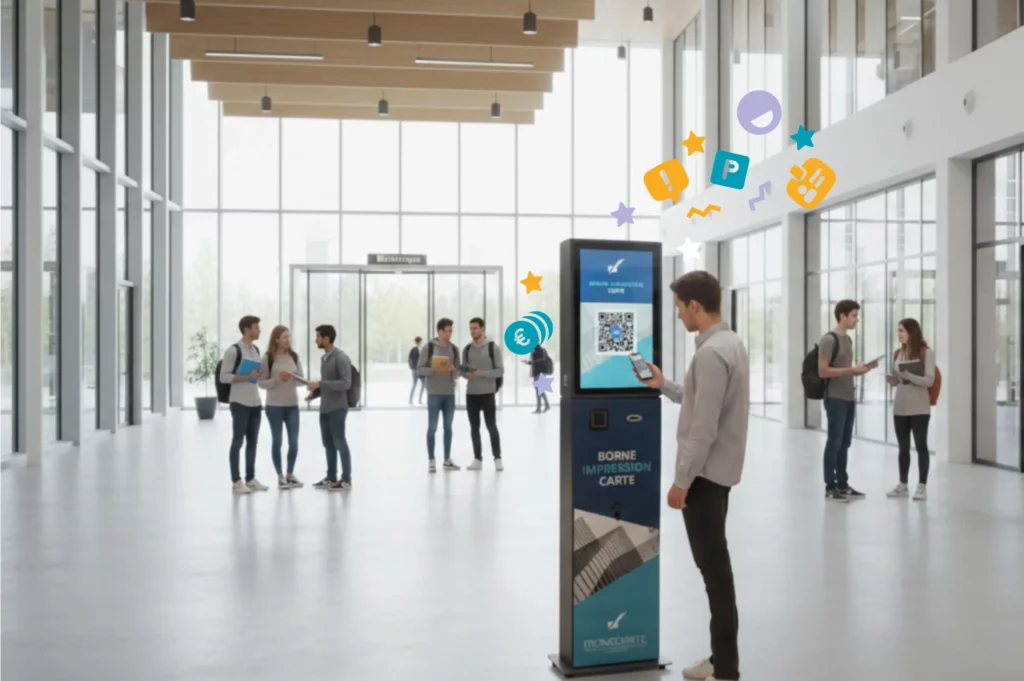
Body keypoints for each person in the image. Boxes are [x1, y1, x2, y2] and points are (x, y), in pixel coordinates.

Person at [636, 271, 749, 681]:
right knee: (716, 570)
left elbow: (703, 428)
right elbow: (704, 402)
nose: (679, 315)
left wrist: (682, 481)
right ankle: (722, 661)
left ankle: (726, 670)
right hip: (720, 474)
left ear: (695, 306)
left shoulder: (709, 354)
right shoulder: (729, 343)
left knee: (715, 573)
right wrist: (665, 385)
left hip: (703, 478)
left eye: (680, 307)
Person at [818, 300, 878, 503]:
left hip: (849, 397)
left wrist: (863, 369)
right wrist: (852, 370)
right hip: (835, 398)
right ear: (842, 316)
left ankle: (842, 484)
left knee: (844, 443)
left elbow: (846, 370)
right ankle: (830, 486)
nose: (856, 319)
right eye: (853, 315)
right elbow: (822, 370)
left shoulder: (848, 340)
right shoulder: (829, 339)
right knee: (833, 443)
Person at [886, 318, 935, 501]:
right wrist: (894, 380)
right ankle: (903, 485)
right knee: (903, 447)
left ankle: (922, 486)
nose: (898, 334)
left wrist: (910, 375)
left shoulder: (926, 353)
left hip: (919, 407)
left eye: (901, 331)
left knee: (921, 446)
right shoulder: (898, 353)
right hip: (900, 407)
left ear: (911, 332)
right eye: (898, 331)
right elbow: (900, 380)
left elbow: (929, 380)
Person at [221, 315, 268, 495]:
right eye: (256, 328)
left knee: (253, 442)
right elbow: (223, 377)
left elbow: (255, 376)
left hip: (255, 402)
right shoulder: (233, 350)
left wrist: (259, 374)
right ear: (247, 330)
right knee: (238, 441)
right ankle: (236, 481)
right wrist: (248, 376)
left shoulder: (255, 349)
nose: (259, 331)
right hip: (239, 402)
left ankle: (250, 479)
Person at [306, 325, 354, 491]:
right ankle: (331, 476)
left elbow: (346, 383)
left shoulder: (340, 357)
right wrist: (315, 393)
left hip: (337, 408)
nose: (316, 340)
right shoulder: (324, 358)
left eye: (318, 337)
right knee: (328, 444)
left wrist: (321, 383)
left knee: (340, 442)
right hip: (325, 408)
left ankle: (346, 479)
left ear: (326, 339)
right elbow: (328, 384)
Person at [258, 325, 304, 489]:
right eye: (285, 337)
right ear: (276, 339)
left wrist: (292, 378)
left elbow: (301, 380)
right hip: (274, 407)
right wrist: (277, 379)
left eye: (289, 337)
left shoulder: (294, 357)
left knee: (294, 442)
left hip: (292, 405)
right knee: (277, 441)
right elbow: (261, 384)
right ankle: (280, 476)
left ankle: (290, 474)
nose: (288, 340)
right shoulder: (267, 358)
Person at [418, 318, 461, 473]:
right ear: (439, 331)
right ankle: (431, 460)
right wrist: (434, 369)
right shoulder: (428, 348)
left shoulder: (454, 349)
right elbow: (420, 370)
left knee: (448, 427)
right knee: (432, 427)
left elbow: (458, 372)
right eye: (447, 331)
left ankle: (447, 459)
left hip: (449, 394)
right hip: (434, 394)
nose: (449, 334)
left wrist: (453, 369)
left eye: (451, 331)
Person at [463, 317, 504, 471]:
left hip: (487, 393)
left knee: (491, 426)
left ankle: (498, 458)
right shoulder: (467, 349)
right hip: (471, 394)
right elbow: (464, 371)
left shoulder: (493, 348)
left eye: (475, 328)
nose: (472, 331)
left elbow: (500, 371)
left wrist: (482, 373)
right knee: (474, 427)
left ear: (482, 329)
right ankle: (477, 459)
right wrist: (467, 373)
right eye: (471, 328)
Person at [522, 344, 550, 413]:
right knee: (539, 390)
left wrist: (530, 361)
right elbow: (533, 362)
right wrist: (528, 362)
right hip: (537, 372)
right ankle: (546, 405)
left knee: (539, 390)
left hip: (540, 372)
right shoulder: (534, 351)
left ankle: (539, 408)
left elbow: (540, 360)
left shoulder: (540, 350)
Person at [408, 336, 425, 405]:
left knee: (424, 384)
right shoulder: (413, 350)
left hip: (421, 370)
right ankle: (410, 400)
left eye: (420, 341)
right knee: (414, 385)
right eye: (419, 341)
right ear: (417, 342)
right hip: (415, 369)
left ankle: (420, 400)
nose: (420, 343)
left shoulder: (423, 349)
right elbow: (409, 359)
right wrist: (411, 367)